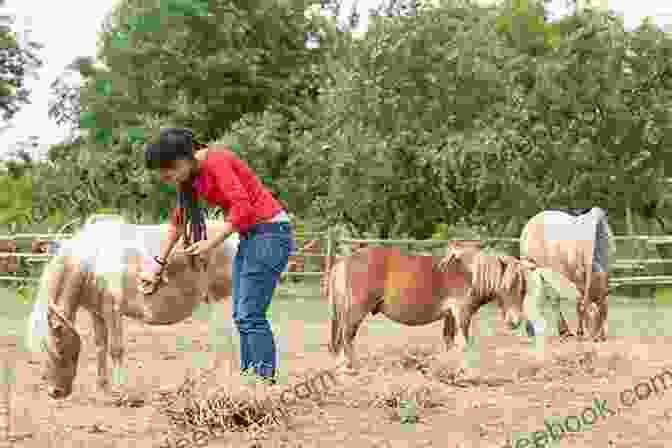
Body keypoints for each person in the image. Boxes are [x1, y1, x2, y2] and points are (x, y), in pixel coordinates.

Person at [141, 127, 294, 383]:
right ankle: (250, 379)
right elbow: (178, 223)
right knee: (241, 314)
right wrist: (158, 264)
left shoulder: (217, 161)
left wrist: (211, 243)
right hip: (253, 236)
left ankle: (263, 381)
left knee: (250, 314)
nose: (169, 180)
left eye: (169, 174)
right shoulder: (190, 180)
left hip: (270, 232)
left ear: (181, 160)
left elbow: (242, 206)